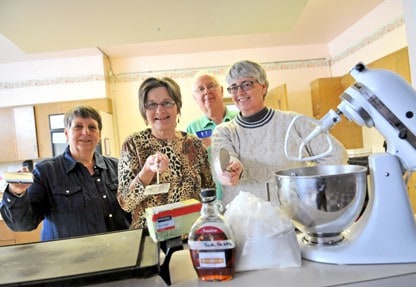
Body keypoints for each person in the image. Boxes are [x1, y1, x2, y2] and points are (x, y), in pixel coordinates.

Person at [211, 60, 348, 206]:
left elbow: (336, 154)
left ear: (263, 87)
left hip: (289, 218)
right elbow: (222, 159)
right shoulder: (224, 131)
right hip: (242, 220)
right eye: (233, 87)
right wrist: (228, 170)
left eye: (246, 84)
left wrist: (308, 184)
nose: (239, 92)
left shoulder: (294, 123)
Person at [0, 105, 131, 241]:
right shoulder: (45, 172)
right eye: (78, 127)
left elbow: (134, 208)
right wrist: (16, 193)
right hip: (69, 259)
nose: (85, 132)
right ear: (66, 134)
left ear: (99, 134)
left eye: (92, 127)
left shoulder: (118, 167)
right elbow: (25, 224)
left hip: (119, 253)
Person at [117, 77, 215, 229]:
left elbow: (208, 192)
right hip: (150, 237)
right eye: (151, 105)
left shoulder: (194, 144)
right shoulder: (133, 144)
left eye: (167, 103)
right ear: (144, 110)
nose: (160, 110)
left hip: (190, 234)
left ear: (178, 106)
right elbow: (125, 202)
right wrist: (147, 171)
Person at [186, 71, 238, 200]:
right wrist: (197, 151)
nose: (206, 92)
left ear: (221, 90)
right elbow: (187, 169)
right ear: (195, 98)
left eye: (210, 86)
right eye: (200, 89)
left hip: (242, 194)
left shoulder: (240, 119)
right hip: (211, 199)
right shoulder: (191, 128)